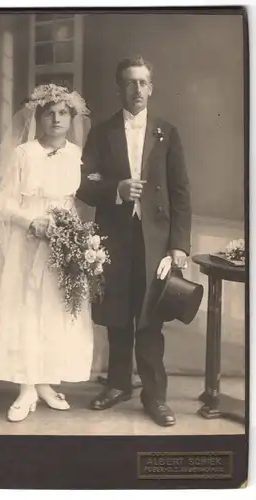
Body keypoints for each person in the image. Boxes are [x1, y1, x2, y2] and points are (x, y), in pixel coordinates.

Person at [0, 84, 94, 422]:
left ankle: (46, 381)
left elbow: (78, 199)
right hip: (26, 242)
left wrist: (71, 236)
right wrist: (30, 222)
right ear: (38, 117)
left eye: (63, 113)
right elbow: (0, 200)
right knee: (25, 308)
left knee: (56, 309)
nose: (56, 119)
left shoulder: (77, 155)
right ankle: (26, 387)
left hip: (63, 244)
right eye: (49, 113)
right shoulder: (23, 154)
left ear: (71, 117)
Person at [77, 56, 192, 427]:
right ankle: (118, 385)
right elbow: (84, 186)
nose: (137, 90)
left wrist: (178, 245)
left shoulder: (167, 132)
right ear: (119, 88)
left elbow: (181, 193)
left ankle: (155, 397)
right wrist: (117, 189)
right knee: (116, 313)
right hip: (113, 236)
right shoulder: (102, 132)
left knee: (149, 318)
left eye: (143, 83)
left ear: (151, 87)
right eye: (130, 83)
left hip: (155, 241)